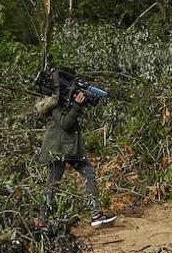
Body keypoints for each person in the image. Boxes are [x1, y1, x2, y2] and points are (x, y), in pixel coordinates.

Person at [37, 90, 116, 228]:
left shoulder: (64, 103)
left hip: (70, 149)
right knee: (52, 185)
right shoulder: (54, 105)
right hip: (57, 151)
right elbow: (65, 123)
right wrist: (77, 105)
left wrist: (78, 104)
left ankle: (96, 215)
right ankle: (42, 221)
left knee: (89, 174)